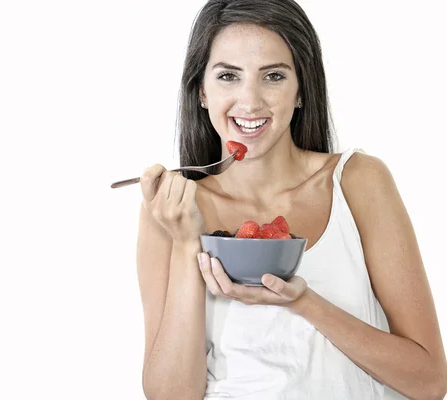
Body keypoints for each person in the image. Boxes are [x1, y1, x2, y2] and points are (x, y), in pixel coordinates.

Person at [135, 0, 447, 399]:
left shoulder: (358, 181)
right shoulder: (170, 207)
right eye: (229, 76)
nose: (250, 102)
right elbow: (171, 394)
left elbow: (429, 381)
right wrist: (184, 244)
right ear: (201, 92)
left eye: (274, 76)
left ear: (301, 90)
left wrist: (305, 303)